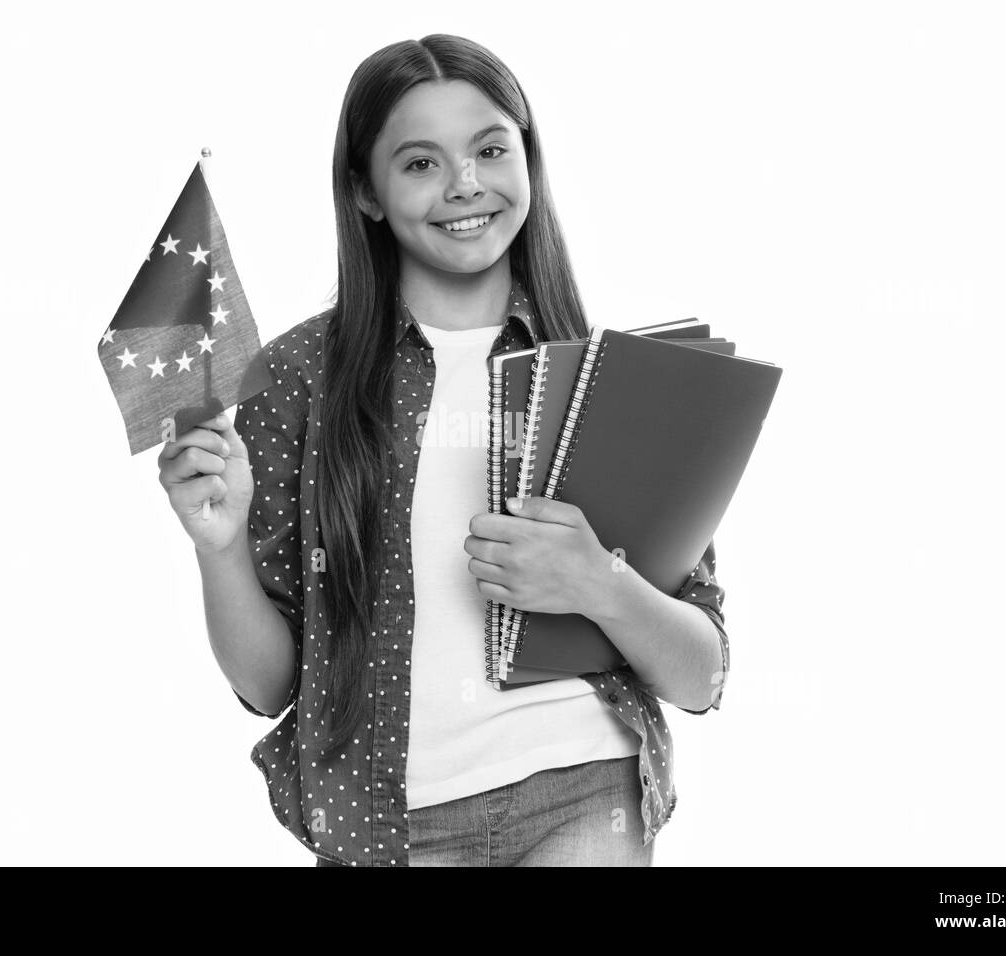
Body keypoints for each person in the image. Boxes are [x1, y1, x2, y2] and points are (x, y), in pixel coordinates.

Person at [155, 34, 729, 867]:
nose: (466, 184)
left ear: (527, 159)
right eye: (421, 163)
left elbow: (701, 674)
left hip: (583, 786)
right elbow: (268, 684)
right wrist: (218, 548)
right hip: (390, 824)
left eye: (491, 149)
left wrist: (595, 581)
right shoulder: (293, 378)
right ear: (367, 191)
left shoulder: (608, 376)